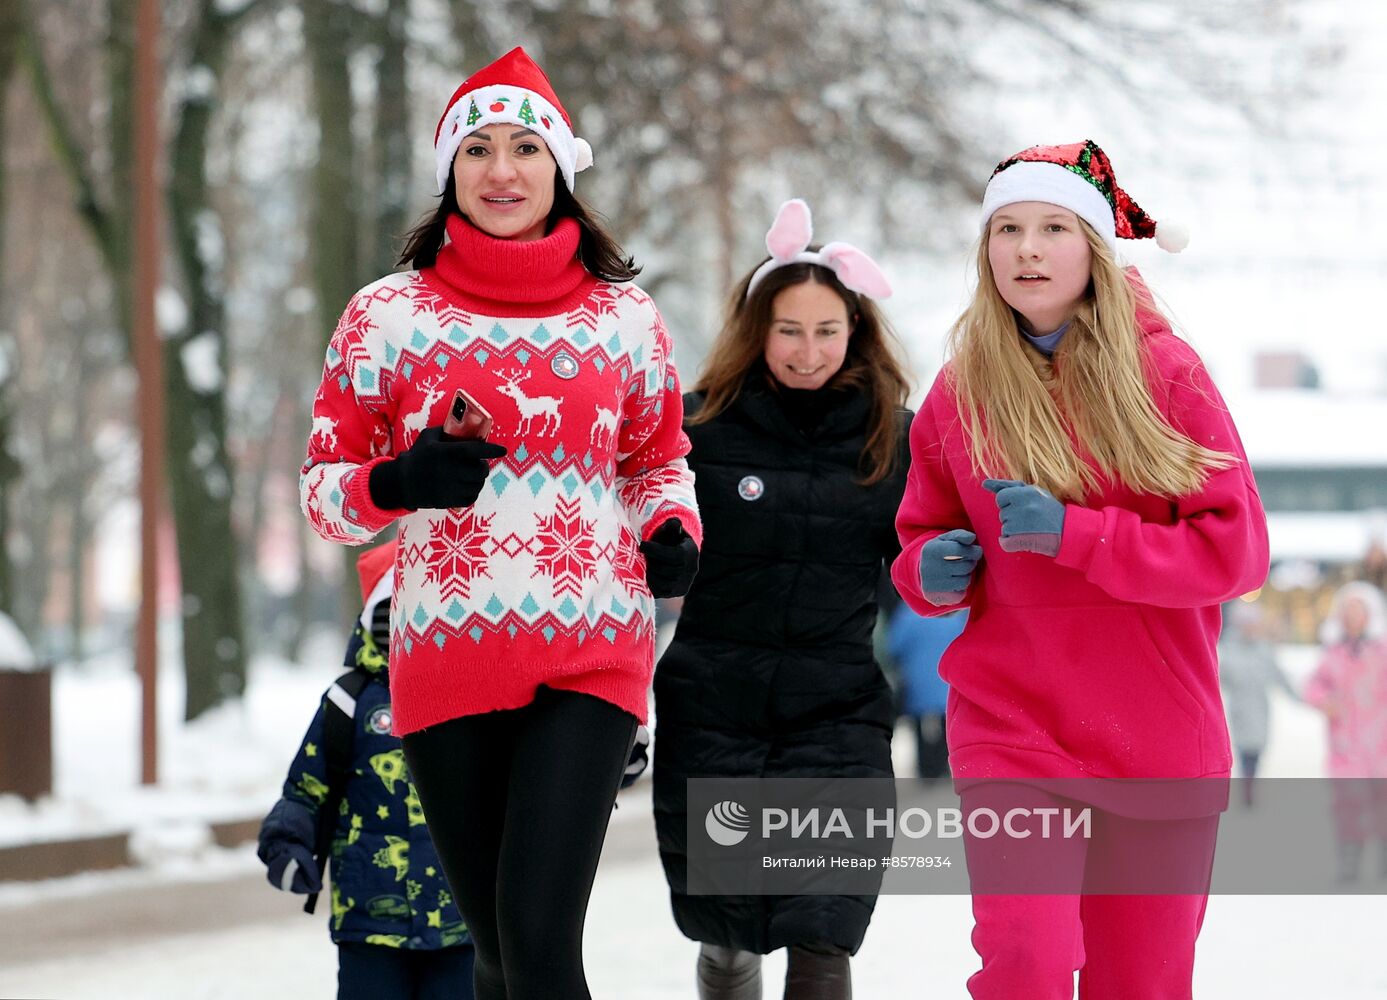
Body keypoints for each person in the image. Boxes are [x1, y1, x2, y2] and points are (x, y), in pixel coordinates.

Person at [299, 47, 702, 1000]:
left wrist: (670, 529)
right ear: (450, 172)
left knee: (538, 939)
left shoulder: (623, 318)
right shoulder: (384, 317)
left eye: (525, 147)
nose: (502, 169)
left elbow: (656, 459)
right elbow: (323, 492)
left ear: (560, 166)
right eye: (477, 149)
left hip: (592, 645)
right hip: (445, 646)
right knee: (493, 954)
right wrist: (399, 480)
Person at [890, 140, 1269, 999]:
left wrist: (1080, 536)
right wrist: (929, 570)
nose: (1026, 248)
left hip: (1157, 735)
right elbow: (919, 537)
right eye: (1008, 229)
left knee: (1138, 983)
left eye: (1052, 227)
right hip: (1011, 723)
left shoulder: (1166, 376)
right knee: (1022, 961)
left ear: (1092, 246)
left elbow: (1235, 554)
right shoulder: (962, 390)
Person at [652, 199, 911, 1000]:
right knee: (729, 939)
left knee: (822, 931)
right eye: (789, 330)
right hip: (715, 711)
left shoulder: (893, 439)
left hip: (835, 718)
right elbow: (642, 535)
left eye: (827, 330)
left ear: (856, 333)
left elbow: (929, 563)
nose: (808, 351)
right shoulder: (696, 428)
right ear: (756, 330)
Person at [257, 540, 475, 1000]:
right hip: (370, 920)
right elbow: (307, 787)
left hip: (461, 918)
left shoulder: (475, 694)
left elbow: (523, 773)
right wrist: (287, 842)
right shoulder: (349, 701)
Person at [1304, 581, 1387, 881]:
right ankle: (1349, 860)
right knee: (1348, 803)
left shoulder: (1382, 651)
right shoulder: (1334, 653)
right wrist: (1324, 701)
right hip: (1345, 744)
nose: (1353, 616)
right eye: (1347, 611)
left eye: (1359, 610)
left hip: (1381, 743)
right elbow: (1312, 685)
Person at [1218, 600, 1298, 806]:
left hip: (1261, 708)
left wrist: (1300, 697)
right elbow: (1219, 678)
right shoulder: (1229, 648)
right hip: (1240, 709)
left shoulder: (1264, 649)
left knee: (1258, 749)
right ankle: (1247, 786)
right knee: (1245, 750)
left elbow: (1279, 675)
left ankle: (1251, 782)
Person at [886, 603, 966, 783]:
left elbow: (894, 647)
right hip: (948, 682)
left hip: (918, 681)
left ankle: (926, 769)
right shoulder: (954, 613)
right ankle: (947, 765)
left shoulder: (907, 615)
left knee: (919, 728)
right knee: (949, 726)